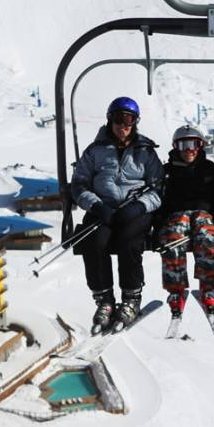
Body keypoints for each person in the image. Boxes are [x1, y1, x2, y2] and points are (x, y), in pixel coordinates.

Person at [71, 96, 164, 331]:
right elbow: (79, 185)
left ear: (135, 122)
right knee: (95, 240)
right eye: (119, 119)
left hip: (134, 210)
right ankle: (104, 300)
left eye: (129, 120)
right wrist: (96, 205)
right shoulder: (95, 151)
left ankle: (131, 297)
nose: (124, 125)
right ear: (110, 120)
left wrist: (139, 206)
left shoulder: (145, 151)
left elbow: (158, 187)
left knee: (129, 240)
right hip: (103, 208)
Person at [155, 125, 214, 327]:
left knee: (207, 235)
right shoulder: (167, 172)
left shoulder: (210, 169)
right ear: (176, 147)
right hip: (176, 215)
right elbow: (158, 199)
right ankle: (176, 292)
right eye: (184, 145)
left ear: (201, 145)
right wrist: (157, 222)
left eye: (194, 144)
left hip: (204, 215)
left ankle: (208, 287)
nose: (189, 149)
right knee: (174, 237)